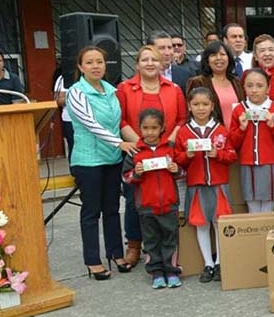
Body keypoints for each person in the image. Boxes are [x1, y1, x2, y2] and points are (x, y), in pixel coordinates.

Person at [66, 46, 135, 280]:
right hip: (88, 161)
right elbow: (91, 124)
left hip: (112, 159)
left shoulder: (111, 90)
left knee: (112, 209)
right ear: (80, 66)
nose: (95, 66)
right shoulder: (76, 92)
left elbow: (117, 122)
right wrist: (119, 143)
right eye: (89, 62)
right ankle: (93, 260)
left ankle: (116, 254)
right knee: (91, 211)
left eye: (99, 62)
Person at [116, 45, 187, 268]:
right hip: (137, 149)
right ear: (137, 64)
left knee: (165, 198)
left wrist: (169, 143)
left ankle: (166, 253)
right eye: (145, 59)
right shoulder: (125, 88)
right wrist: (141, 145)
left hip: (166, 149)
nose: (150, 63)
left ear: (162, 63)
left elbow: (182, 119)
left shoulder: (173, 88)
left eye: (154, 59)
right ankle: (134, 246)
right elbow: (120, 119)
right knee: (134, 200)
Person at [174, 87, 238, 283]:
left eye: (205, 104)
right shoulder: (184, 132)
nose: (200, 108)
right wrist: (187, 155)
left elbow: (232, 155)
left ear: (212, 106)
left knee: (219, 223)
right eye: (196, 104)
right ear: (189, 106)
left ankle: (219, 262)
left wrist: (218, 154)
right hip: (197, 185)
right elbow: (177, 159)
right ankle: (208, 264)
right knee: (201, 224)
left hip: (218, 183)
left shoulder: (220, 130)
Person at [122, 108, 183, 289]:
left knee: (170, 239)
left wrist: (176, 170)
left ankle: (171, 271)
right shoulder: (135, 151)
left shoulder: (170, 148)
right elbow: (126, 177)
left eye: (154, 128)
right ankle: (156, 273)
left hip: (169, 204)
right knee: (151, 241)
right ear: (139, 128)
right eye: (145, 128)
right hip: (146, 206)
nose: (150, 132)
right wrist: (136, 173)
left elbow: (183, 172)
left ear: (162, 128)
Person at [229, 69, 274, 212]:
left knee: (269, 208)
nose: (254, 90)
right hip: (248, 165)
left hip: (271, 166)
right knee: (253, 208)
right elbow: (233, 143)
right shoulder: (239, 110)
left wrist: (273, 127)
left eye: (259, 85)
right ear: (244, 87)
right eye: (249, 86)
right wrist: (241, 129)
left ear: (268, 88)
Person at [186, 41, 246, 129]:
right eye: (213, 55)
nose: (218, 58)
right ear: (207, 60)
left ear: (229, 58)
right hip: (211, 133)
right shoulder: (198, 82)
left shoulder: (237, 82)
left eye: (222, 54)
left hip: (238, 133)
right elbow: (190, 112)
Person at [54, 73, 74, 161]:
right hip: (70, 120)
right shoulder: (63, 78)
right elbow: (59, 100)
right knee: (74, 149)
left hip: (97, 119)